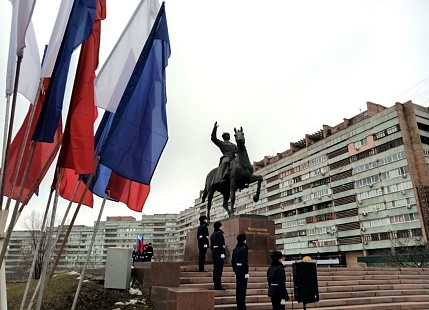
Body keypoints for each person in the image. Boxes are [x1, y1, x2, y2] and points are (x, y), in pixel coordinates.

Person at [232, 233, 249, 310]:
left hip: (237, 269)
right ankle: (242, 306)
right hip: (242, 270)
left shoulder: (235, 249)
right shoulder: (244, 249)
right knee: (242, 289)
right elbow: (245, 261)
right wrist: (246, 272)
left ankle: (239, 305)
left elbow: (233, 261)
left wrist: (235, 270)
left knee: (238, 288)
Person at [210, 221, 226, 290]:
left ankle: (216, 284)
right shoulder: (219, 234)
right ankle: (218, 285)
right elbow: (221, 244)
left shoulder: (213, 234)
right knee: (219, 269)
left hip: (215, 253)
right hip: (219, 253)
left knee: (215, 269)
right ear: (219, 226)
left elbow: (211, 246)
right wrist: (222, 253)